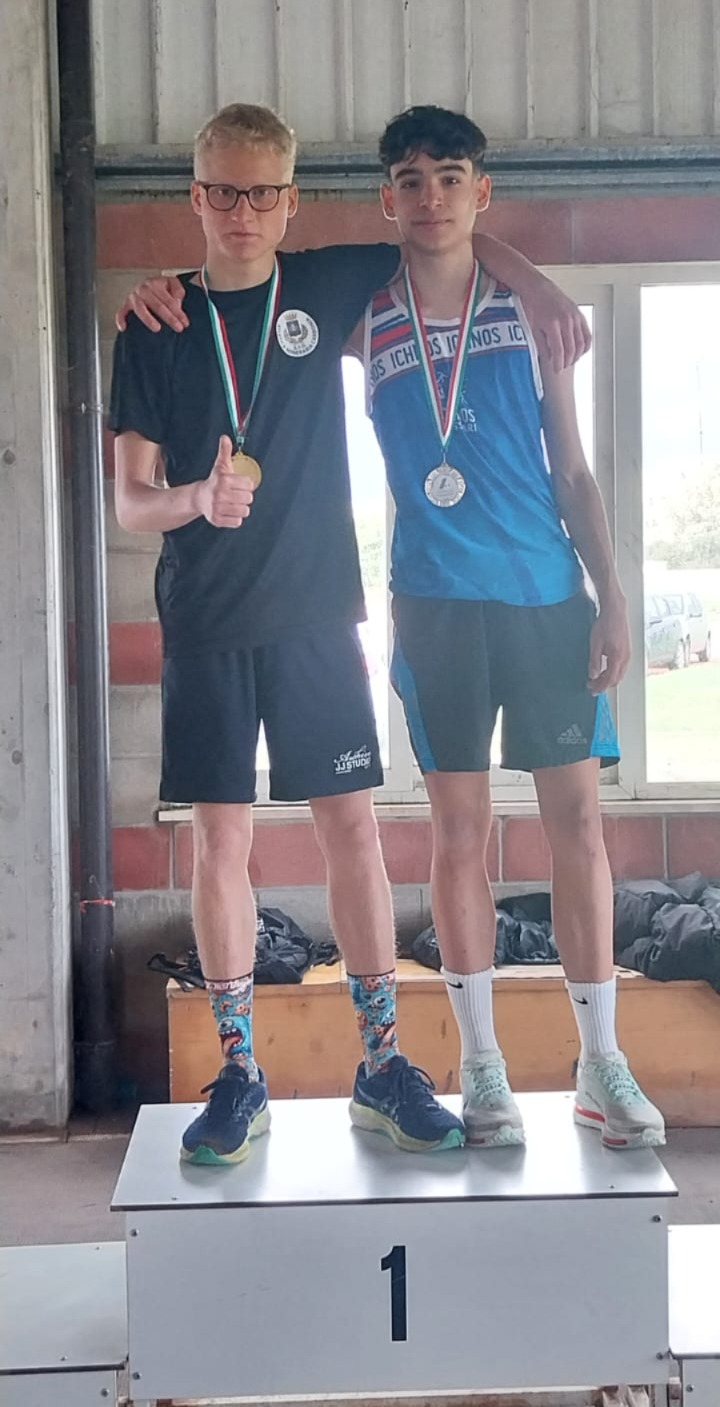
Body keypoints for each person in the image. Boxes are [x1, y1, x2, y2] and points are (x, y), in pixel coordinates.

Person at [111, 102, 591, 1166]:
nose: (242, 211)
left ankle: (381, 1063)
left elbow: (446, 232)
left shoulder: (326, 286)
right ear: (196, 196)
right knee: (223, 845)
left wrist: (539, 283)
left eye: (262, 192)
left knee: (355, 836)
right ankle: (240, 1072)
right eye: (222, 191)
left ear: (290, 201)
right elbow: (129, 501)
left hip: (321, 613)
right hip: (207, 620)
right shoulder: (153, 323)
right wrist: (195, 500)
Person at [362, 104, 665, 1152]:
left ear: (481, 191)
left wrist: (613, 593)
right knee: (458, 834)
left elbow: (571, 468)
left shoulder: (534, 317)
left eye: (452, 178)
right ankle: (482, 1064)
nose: (431, 197)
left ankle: (600, 1062)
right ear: (387, 198)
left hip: (545, 600)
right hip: (436, 606)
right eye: (411, 180)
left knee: (579, 828)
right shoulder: (366, 317)